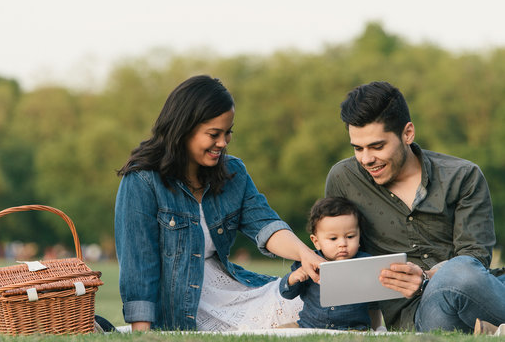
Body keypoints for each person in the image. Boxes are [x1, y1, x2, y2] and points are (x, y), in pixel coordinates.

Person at [114, 75, 325, 331]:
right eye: (214, 134)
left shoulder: (233, 171)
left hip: (226, 290)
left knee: (317, 305)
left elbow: (265, 223)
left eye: (228, 133)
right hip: (178, 303)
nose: (223, 143)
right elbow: (139, 267)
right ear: (183, 129)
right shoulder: (142, 180)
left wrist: (305, 254)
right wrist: (142, 334)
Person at [324, 81, 505, 333]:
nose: (366, 159)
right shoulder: (343, 179)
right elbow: (341, 258)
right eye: (358, 148)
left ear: (408, 133)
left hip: (482, 289)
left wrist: (426, 276)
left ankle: (490, 329)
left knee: (463, 272)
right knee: (459, 273)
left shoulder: (463, 176)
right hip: (420, 311)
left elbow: (475, 257)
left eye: (377, 146)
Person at [279, 197, 383, 330]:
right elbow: (287, 293)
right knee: (278, 333)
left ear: (359, 236)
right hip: (308, 326)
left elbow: (376, 298)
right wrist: (293, 279)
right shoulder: (309, 262)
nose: (342, 244)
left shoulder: (365, 263)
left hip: (353, 329)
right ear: (316, 241)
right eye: (333, 238)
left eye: (350, 236)